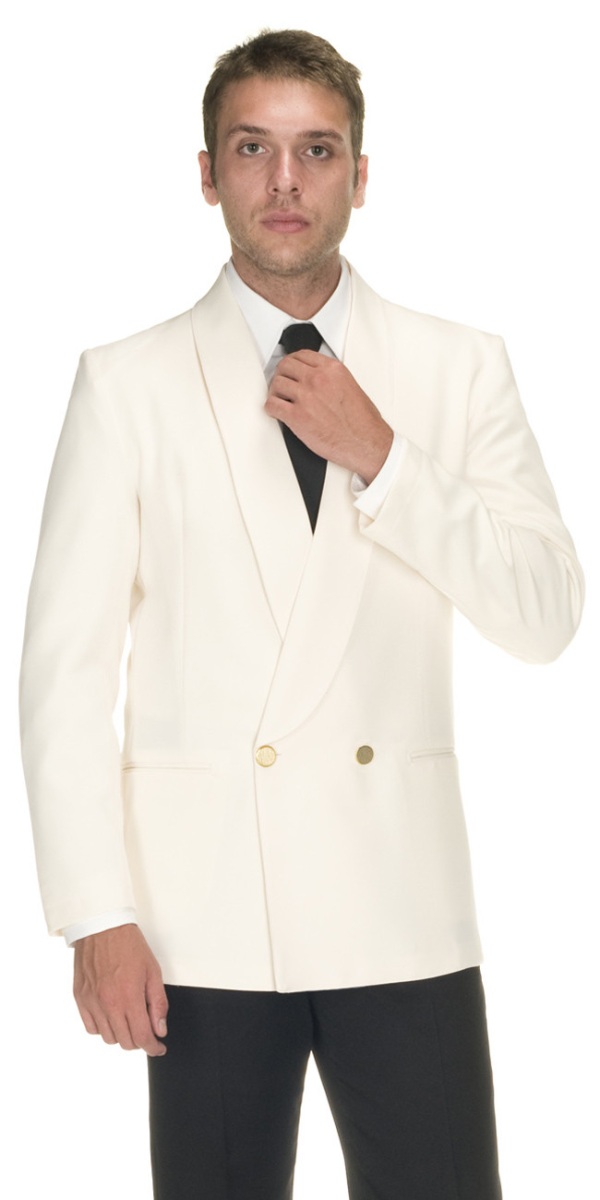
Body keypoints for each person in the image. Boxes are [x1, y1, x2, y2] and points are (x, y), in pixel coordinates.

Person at [20, 27, 583, 1200]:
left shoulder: (458, 367)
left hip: (405, 907)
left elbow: (544, 616)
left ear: (360, 176)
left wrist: (385, 457)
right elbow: (64, 675)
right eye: (252, 148)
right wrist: (95, 914)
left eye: (317, 150)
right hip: (201, 921)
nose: (285, 181)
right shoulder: (126, 384)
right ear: (207, 172)